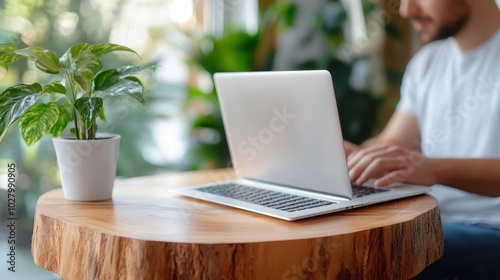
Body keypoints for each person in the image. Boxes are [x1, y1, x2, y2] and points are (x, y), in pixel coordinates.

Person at [343, 0, 500, 278]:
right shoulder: (428, 61)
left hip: (489, 227)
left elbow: (420, 164)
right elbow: (394, 144)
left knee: (377, 253)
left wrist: (432, 169)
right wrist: (354, 155)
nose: (407, 11)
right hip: (429, 219)